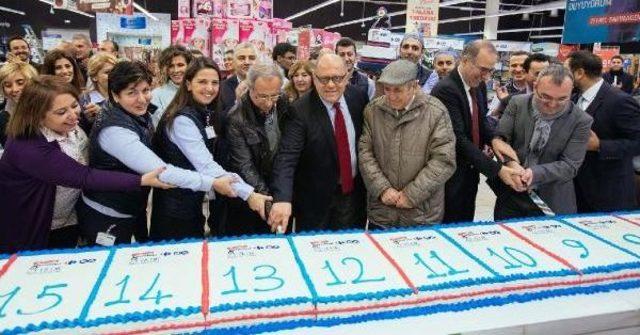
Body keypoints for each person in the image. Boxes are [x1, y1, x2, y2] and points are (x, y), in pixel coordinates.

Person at [0, 75, 170, 253]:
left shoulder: (71, 127)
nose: (73, 115)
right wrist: (140, 180)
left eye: (74, 105)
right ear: (37, 115)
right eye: (61, 112)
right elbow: (83, 176)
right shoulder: (28, 146)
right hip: (34, 225)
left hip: (69, 217)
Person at [78, 61, 226, 245]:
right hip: (108, 212)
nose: (142, 99)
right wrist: (214, 182)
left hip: (133, 206)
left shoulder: (135, 113)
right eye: (132, 92)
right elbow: (162, 171)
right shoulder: (115, 130)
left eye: (146, 90)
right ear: (115, 95)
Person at [151, 57, 270, 240]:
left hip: (191, 205)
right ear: (188, 84)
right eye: (202, 82)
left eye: (214, 82)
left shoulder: (203, 112)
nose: (209, 88)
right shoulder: (182, 120)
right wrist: (249, 194)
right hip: (175, 211)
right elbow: (207, 166)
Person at [269, 54, 369, 233]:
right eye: (324, 79)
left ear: (346, 77)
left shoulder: (358, 98)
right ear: (314, 78)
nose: (330, 85)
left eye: (337, 78)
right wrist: (282, 198)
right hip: (315, 203)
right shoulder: (299, 111)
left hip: (354, 196)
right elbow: (286, 157)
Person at [431, 40, 524, 223]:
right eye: (483, 69)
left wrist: (495, 140)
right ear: (465, 61)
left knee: (465, 221)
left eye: (490, 70)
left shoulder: (477, 85)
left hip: (470, 171)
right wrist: (498, 170)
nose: (487, 77)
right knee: (450, 223)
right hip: (450, 174)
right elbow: (458, 138)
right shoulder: (446, 90)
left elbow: (480, 121)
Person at [359, 59, 456, 227]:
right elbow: (365, 152)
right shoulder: (373, 110)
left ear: (413, 86)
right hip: (382, 212)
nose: (391, 96)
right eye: (387, 89)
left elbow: (443, 160)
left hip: (421, 215)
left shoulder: (436, 112)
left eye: (398, 90)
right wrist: (382, 189)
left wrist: (411, 195)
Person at [490, 65, 593, 219]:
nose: (552, 104)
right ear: (535, 86)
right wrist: (511, 163)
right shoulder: (517, 103)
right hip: (512, 195)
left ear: (571, 92)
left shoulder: (581, 120)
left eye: (562, 99)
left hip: (552, 200)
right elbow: (501, 139)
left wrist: (534, 173)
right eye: (545, 97)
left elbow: (570, 166)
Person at [568, 50, 640, 212]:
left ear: (579, 73)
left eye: (567, 71)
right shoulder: (573, 98)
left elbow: (637, 142)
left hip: (609, 192)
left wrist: (600, 145)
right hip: (577, 189)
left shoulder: (620, 101)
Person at [488, 53, 550, 126]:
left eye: (522, 65)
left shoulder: (548, 93)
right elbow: (492, 119)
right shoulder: (503, 91)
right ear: (509, 68)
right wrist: (503, 103)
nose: (518, 69)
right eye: (514, 65)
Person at [150, 46, 193, 127]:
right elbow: (156, 126)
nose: (176, 70)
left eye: (180, 65)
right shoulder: (156, 95)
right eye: (171, 66)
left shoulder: (197, 91)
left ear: (189, 66)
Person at [0, 61, 38, 147]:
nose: (15, 89)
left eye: (20, 83)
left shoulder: (48, 106)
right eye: (8, 85)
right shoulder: (3, 119)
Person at [78, 52, 117, 133]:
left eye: (115, 71)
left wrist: (103, 114)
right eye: (107, 72)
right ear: (94, 77)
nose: (113, 75)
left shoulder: (123, 96)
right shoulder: (85, 99)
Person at [219, 43, 258, 116]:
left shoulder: (267, 85)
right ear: (234, 62)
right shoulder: (222, 87)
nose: (247, 62)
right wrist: (237, 103)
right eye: (242, 58)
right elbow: (220, 121)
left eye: (252, 58)